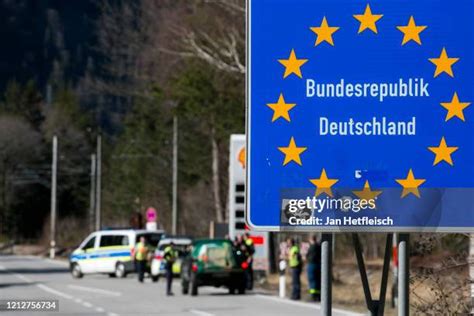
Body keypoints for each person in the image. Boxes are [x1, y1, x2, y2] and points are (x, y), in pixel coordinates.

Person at [306, 235, 321, 301]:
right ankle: (318, 296)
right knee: (318, 280)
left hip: (312, 264)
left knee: (312, 280)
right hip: (318, 264)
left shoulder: (311, 247)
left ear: (311, 239)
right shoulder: (319, 246)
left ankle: (313, 296)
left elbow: (308, 256)